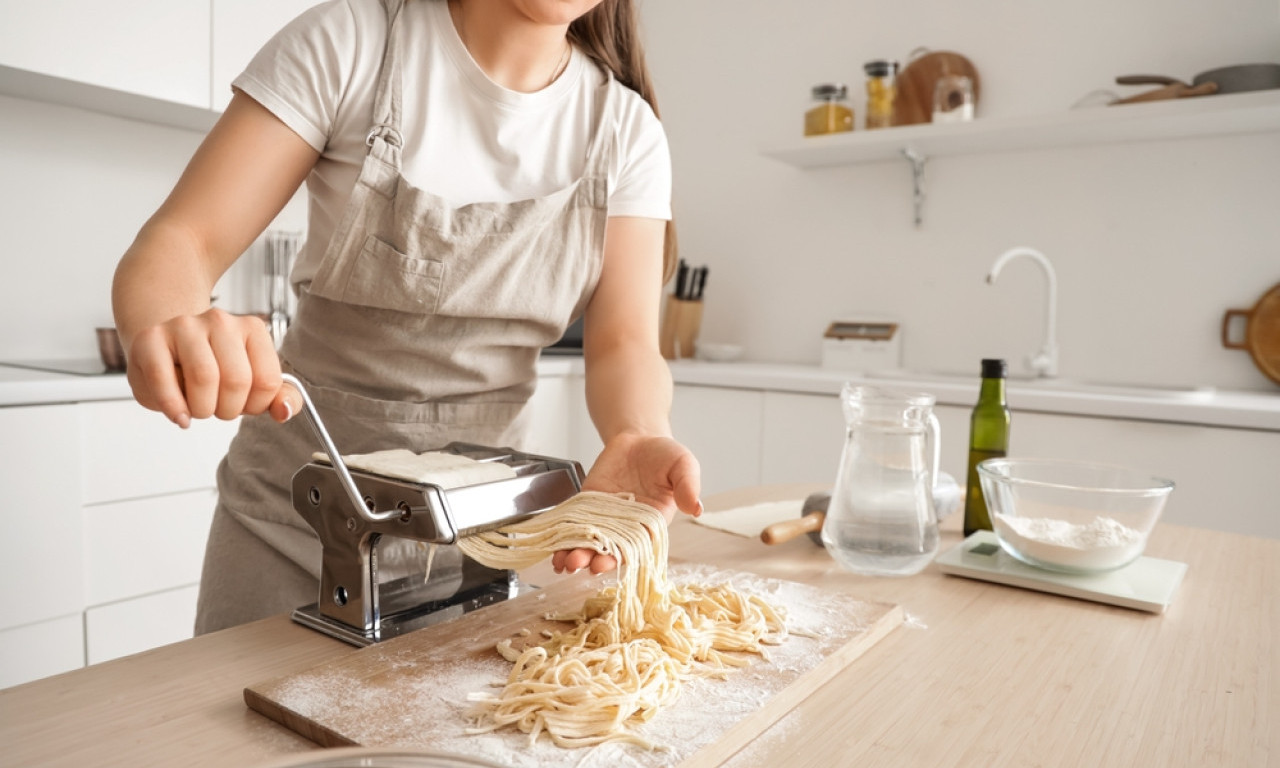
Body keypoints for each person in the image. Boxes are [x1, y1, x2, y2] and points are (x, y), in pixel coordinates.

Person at [111, 0, 701, 634]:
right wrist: (174, 321)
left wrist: (637, 433)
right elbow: (183, 240)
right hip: (294, 533)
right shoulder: (352, 41)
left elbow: (625, 342)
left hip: (482, 542)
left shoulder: (625, 131)